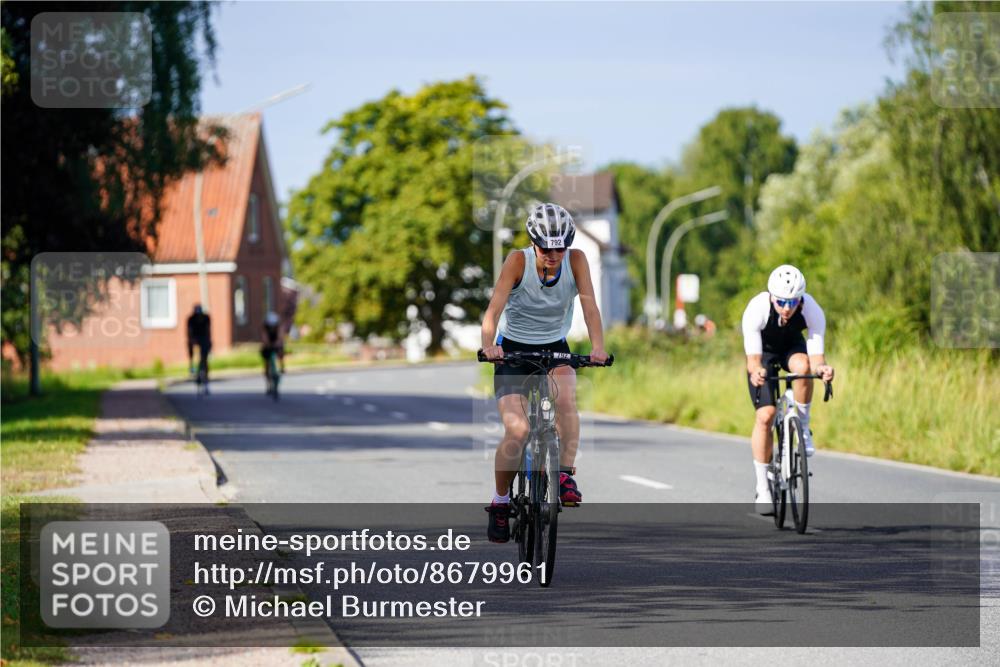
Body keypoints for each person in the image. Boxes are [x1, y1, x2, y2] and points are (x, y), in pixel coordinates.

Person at [481, 202, 608, 543]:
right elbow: (493, 310)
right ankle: (501, 500)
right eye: (546, 247)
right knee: (518, 429)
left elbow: (590, 306)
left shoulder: (576, 260)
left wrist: (598, 347)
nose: (554, 254)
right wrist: (489, 345)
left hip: (555, 347)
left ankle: (564, 474)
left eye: (560, 247)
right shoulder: (517, 261)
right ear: (533, 242)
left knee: (565, 399)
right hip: (513, 351)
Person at [742, 265, 834, 514]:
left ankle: (802, 426)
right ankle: (763, 488)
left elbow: (816, 358)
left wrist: (823, 369)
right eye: (781, 301)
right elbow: (753, 360)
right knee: (766, 416)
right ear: (772, 296)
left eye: (793, 302)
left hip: (792, 348)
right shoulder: (757, 309)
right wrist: (757, 371)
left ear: (800, 299)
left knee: (804, 367)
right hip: (764, 354)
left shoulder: (812, 310)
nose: (787, 307)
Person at [186, 304, 212, 390]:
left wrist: (209, 342)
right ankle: (192, 366)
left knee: (204, 359)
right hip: (195, 339)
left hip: (203, 339)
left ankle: (205, 377)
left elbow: (208, 331)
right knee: (193, 353)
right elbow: (189, 331)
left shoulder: (206, 318)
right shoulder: (191, 319)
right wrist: (191, 341)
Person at [260, 311, 285, 376]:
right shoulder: (265, 327)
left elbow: (280, 336)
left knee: (280, 351)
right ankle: (266, 369)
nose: (272, 327)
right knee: (266, 353)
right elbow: (264, 336)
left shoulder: (279, 327)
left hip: (276, 341)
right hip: (269, 341)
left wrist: (278, 342)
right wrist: (266, 343)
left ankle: (282, 366)